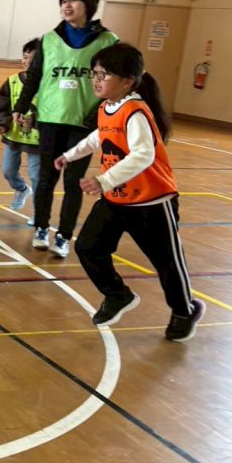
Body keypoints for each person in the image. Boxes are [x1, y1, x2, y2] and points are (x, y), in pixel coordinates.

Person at [55, 43, 205, 342]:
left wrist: (103, 181)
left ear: (127, 81)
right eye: (94, 74)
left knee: (167, 262)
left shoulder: (135, 111)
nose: (97, 80)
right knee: (88, 247)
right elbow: (99, 136)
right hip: (118, 199)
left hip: (152, 201)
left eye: (104, 75)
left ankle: (184, 310)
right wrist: (70, 154)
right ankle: (117, 295)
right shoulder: (107, 107)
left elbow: (143, 155)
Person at [12, 0, 118, 259]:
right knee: (46, 179)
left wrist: (103, 114)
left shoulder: (108, 42)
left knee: (73, 182)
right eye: (64, 1)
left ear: (89, 5)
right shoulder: (48, 40)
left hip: (84, 123)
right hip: (49, 119)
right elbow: (34, 76)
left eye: (74, 0)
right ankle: (41, 228)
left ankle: (64, 236)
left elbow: (118, 82)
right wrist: (22, 107)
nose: (67, 6)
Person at [0, 38, 41, 215]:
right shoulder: (12, 81)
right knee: (8, 171)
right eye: (25, 57)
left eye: (32, 58)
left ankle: (39, 214)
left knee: (37, 177)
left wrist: (35, 122)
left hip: (38, 139)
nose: (26, 61)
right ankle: (21, 189)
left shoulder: (48, 85)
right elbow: (2, 106)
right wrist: (1, 124)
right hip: (14, 135)